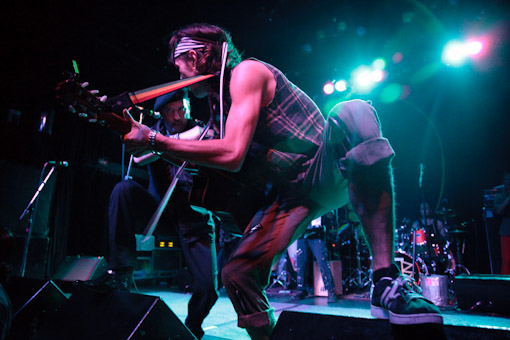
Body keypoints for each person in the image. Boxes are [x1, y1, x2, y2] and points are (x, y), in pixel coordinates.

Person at [121, 23, 443, 340]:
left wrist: (154, 141)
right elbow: (220, 159)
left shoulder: (246, 73)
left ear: (194, 58)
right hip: (290, 196)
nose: (181, 80)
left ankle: (385, 279)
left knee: (353, 111)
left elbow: (231, 153)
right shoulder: (219, 107)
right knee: (237, 274)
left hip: (321, 171)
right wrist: (150, 142)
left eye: (180, 69)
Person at [77, 89, 218, 339]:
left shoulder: (205, 130)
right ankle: (119, 271)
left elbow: (207, 139)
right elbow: (140, 157)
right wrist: (157, 141)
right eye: (171, 111)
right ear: (162, 114)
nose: (177, 116)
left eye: (182, 109)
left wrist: (180, 141)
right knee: (123, 190)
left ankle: (192, 327)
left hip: (194, 219)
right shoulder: (151, 132)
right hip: (159, 211)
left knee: (208, 287)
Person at [293, 216, 337, 303]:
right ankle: (302, 290)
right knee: (301, 263)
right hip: (302, 234)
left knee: (322, 262)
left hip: (316, 234)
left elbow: (329, 213)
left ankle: (331, 290)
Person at [411, 202, 455, 274]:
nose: (424, 211)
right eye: (422, 209)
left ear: (430, 209)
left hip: (436, 251)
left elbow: (445, 238)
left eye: (426, 208)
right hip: (421, 252)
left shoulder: (438, 223)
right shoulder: (416, 224)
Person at [494, 172, 510, 275]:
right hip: (506, 228)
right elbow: (498, 211)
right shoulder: (500, 196)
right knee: (507, 259)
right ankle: (504, 283)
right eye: (506, 180)